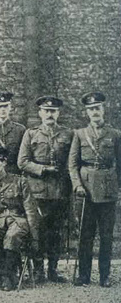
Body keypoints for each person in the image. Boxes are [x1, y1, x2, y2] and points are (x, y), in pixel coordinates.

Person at [17, 95, 73, 283]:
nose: (50, 114)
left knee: (56, 232)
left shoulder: (67, 134)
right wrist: (43, 169)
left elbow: (71, 162)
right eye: (46, 111)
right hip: (37, 191)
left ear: (58, 113)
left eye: (53, 111)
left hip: (59, 191)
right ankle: (39, 270)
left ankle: (53, 270)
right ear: (40, 113)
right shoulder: (31, 133)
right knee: (38, 231)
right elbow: (22, 162)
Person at [68, 92, 121, 287]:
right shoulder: (79, 134)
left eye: (97, 108)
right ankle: (84, 275)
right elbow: (72, 165)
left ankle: (105, 276)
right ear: (87, 112)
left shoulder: (115, 134)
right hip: (86, 191)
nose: (94, 112)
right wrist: (77, 185)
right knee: (85, 235)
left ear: (103, 109)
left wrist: (118, 188)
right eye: (91, 109)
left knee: (107, 236)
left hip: (108, 190)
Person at [0, 146, 40, 291]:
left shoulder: (20, 181)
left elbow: (30, 209)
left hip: (17, 218)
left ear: (4, 162)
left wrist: (34, 235)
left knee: (12, 236)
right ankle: (2, 274)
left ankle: (7, 275)